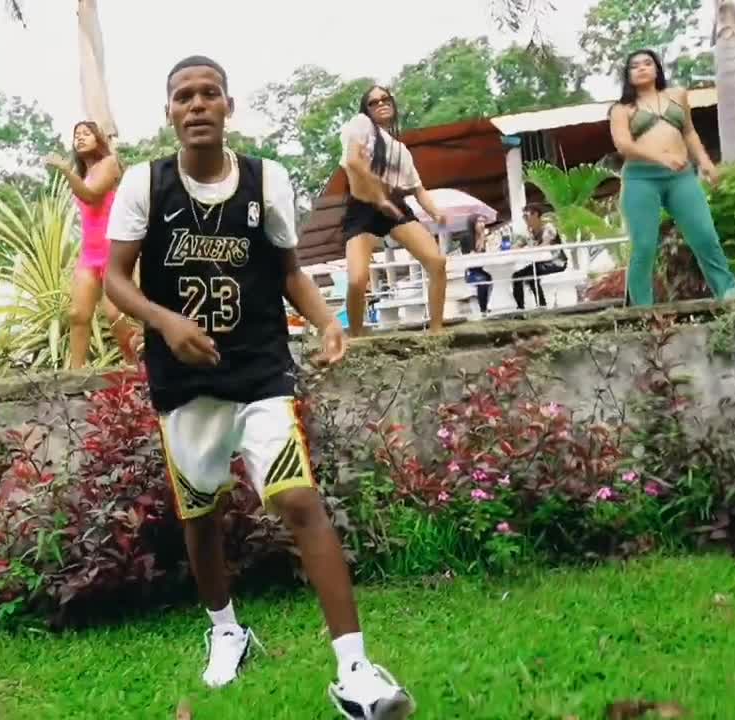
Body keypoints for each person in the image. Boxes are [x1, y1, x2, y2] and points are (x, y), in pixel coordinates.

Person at [103, 55, 415, 720]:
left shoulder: (266, 179)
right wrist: (165, 322)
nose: (196, 104)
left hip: (259, 369)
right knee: (201, 513)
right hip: (184, 378)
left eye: (208, 93)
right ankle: (226, 630)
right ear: (169, 112)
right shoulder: (145, 185)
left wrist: (327, 320)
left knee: (299, 498)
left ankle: (355, 669)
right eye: (183, 96)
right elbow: (116, 280)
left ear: (228, 105)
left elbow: (288, 270)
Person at [608, 49, 735, 307]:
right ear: (628, 75)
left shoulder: (677, 95)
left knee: (704, 235)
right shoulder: (621, 109)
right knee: (644, 246)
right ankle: (642, 309)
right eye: (635, 66)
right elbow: (623, 145)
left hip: (681, 177)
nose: (642, 68)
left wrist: (705, 162)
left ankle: (728, 294)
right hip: (640, 179)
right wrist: (661, 157)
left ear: (657, 69)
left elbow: (688, 132)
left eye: (648, 63)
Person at [340, 85, 450, 337]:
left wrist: (436, 213)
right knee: (357, 279)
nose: (381, 104)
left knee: (437, 262)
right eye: (373, 102)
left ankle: (436, 330)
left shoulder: (401, 151)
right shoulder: (361, 125)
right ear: (366, 109)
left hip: (394, 208)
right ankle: (356, 336)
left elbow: (418, 189)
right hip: (363, 209)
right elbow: (354, 162)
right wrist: (379, 197)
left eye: (385, 99)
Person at [44, 120, 138, 368]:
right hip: (89, 255)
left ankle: (136, 365)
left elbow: (91, 195)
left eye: (86, 133)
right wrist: (72, 173)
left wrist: (66, 171)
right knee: (78, 314)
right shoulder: (83, 175)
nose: (80, 137)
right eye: (77, 134)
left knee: (115, 315)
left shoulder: (109, 163)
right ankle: (75, 375)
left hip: (113, 252)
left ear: (98, 139)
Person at [511, 204, 567, 310]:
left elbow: (544, 246)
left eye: (526, 216)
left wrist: (529, 247)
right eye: (523, 217)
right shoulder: (531, 231)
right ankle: (523, 307)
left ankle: (539, 305)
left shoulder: (548, 228)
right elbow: (517, 246)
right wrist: (519, 245)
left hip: (556, 262)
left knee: (530, 274)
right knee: (517, 276)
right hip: (541, 262)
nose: (525, 220)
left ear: (535, 215)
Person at [460, 215, 493, 315]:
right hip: (471, 271)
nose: (482, 225)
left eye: (483, 222)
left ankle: (487, 305)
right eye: (479, 222)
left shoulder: (483, 237)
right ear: (473, 224)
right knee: (483, 280)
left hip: (483, 269)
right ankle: (483, 309)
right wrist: (482, 237)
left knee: (491, 277)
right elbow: (473, 255)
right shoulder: (466, 238)